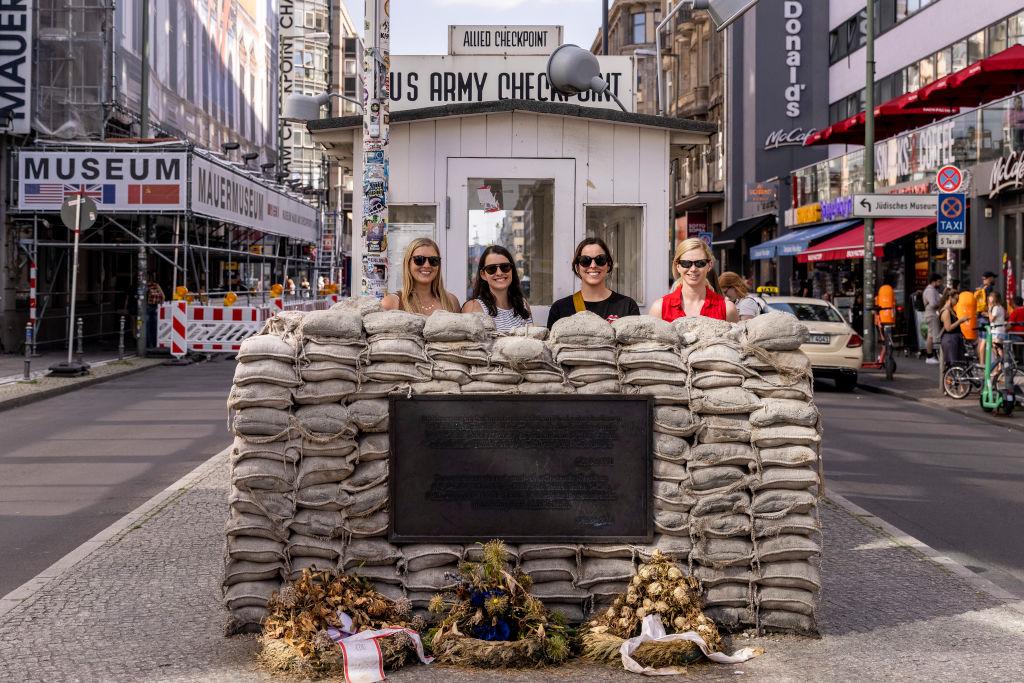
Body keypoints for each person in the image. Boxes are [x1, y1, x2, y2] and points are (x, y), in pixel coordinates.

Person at [546, 237, 640, 327]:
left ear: (608, 265)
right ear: (577, 267)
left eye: (600, 259)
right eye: (585, 260)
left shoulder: (627, 306)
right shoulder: (560, 308)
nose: (593, 265)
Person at [648, 237, 738, 322]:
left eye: (700, 263)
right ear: (678, 266)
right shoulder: (659, 308)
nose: (693, 269)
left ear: (709, 265)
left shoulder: (727, 309)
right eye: (686, 263)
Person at [381, 237, 460, 315]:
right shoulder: (392, 303)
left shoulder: (451, 301)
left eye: (433, 260)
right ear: (408, 263)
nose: (427, 265)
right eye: (419, 260)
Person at [462, 245, 533, 331]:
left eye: (505, 267)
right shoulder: (473, 307)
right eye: (491, 269)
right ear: (483, 274)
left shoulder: (522, 305)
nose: (499, 273)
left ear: (512, 270)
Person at [938, 287, 969, 371]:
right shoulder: (946, 311)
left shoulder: (950, 310)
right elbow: (948, 328)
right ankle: (949, 383)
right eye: (956, 299)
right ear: (949, 298)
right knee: (952, 366)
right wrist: (960, 321)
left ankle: (955, 382)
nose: (957, 302)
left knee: (957, 365)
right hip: (950, 340)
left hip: (953, 339)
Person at [922, 273, 943, 364]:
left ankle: (930, 355)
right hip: (932, 314)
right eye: (939, 281)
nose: (940, 283)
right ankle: (931, 356)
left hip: (931, 314)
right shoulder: (930, 291)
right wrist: (941, 303)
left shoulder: (931, 290)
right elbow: (933, 304)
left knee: (931, 336)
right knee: (935, 336)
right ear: (934, 281)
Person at [145, 279, 165, 350]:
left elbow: (163, 296)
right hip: (151, 307)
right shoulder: (150, 286)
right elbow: (163, 296)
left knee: (151, 326)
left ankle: (151, 344)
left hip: (152, 307)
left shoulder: (154, 286)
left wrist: (160, 305)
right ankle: (151, 344)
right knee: (150, 326)